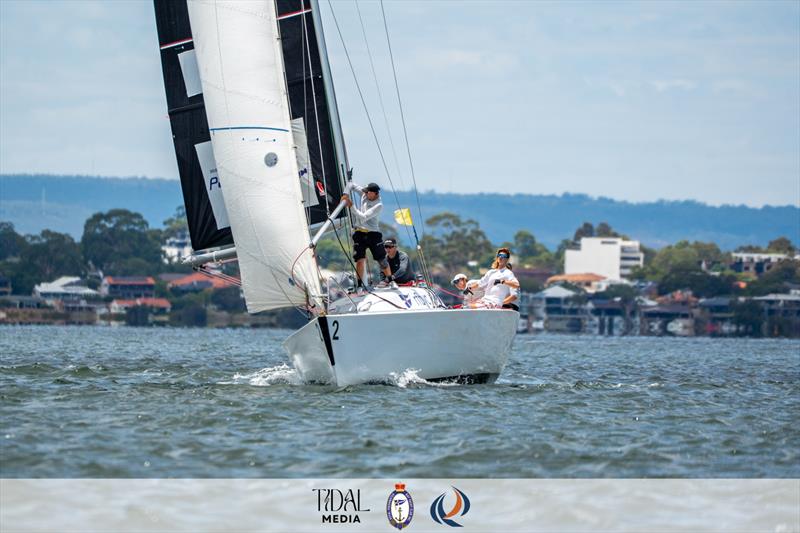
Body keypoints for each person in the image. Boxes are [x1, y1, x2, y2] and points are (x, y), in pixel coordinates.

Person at [341, 182, 391, 289]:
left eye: (368, 192)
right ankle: (359, 285)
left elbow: (363, 217)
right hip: (359, 232)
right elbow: (351, 185)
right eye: (365, 191)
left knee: (381, 259)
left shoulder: (379, 205)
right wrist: (345, 194)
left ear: (375, 193)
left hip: (373, 233)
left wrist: (351, 206)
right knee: (360, 259)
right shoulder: (365, 193)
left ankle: (391, 281)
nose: (365, 193)